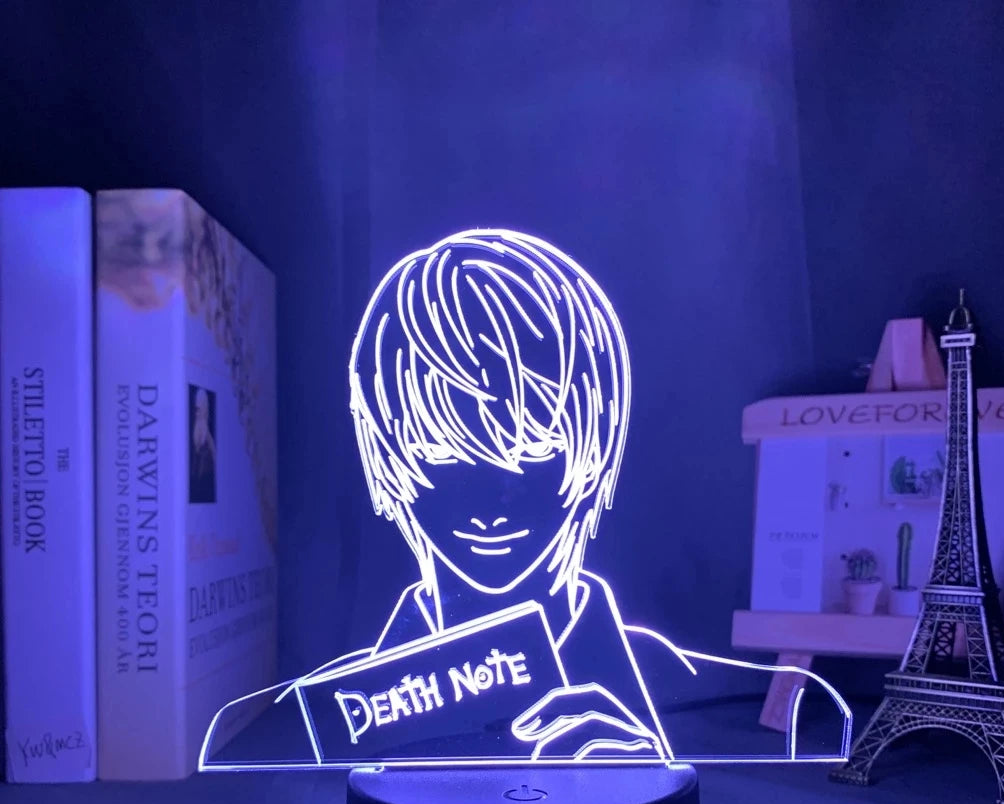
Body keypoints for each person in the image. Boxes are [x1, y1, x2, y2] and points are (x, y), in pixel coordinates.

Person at [201, 230, 850, 770]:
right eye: (444, 455)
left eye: (533, 453)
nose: (489, 505)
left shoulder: (731, 706)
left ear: (595, 450)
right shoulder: (301, 723)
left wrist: (648, 799)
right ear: (390, 457)